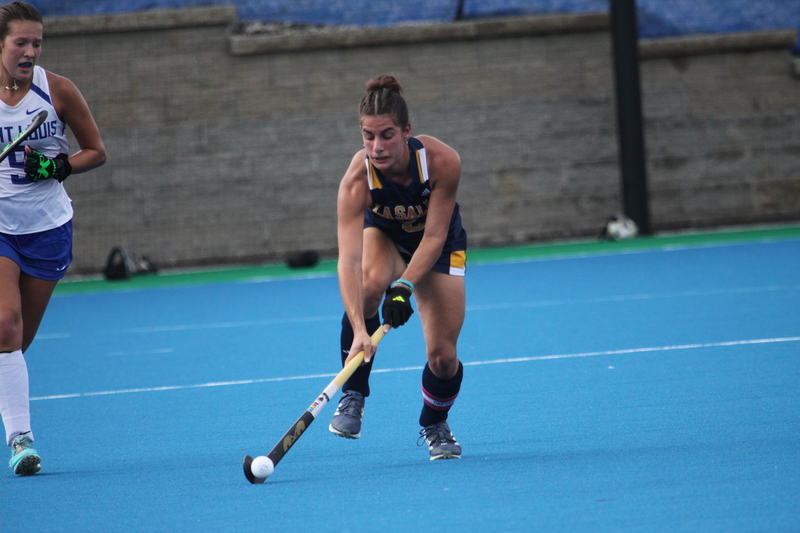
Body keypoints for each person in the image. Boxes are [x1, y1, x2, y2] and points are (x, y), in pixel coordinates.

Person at [330, 75, 467, 460]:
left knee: (442, 356)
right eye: (367, 136)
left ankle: (433, 423)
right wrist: (360, 328)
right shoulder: (358, 178)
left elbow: (435, 236)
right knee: (369, 286)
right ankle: (354, 392)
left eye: (387, 135)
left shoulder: (442, 162)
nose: (377, 146)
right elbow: (348, 260)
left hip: (438, 247)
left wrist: (405, 285)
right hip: (386, 238)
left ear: (406, 130)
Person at [0, 1, 106, 476]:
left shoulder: (57, 90)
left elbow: (96, 152)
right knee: (5, 324)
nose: (30, 51)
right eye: (20, 42)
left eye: (36, 42)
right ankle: (21, 440)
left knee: (16, 346)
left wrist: (55, 166)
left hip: (47, 230)